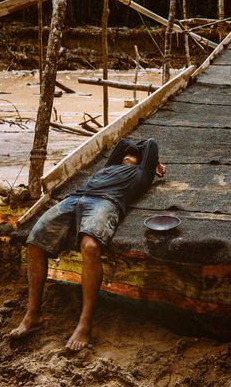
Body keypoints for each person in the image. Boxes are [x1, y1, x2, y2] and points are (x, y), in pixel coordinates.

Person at [10, 137, 164, 350]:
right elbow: (121, 143)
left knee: (90, 246)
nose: (128, 155)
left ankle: (85, 321)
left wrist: (153, 163)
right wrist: (131, 151)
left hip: (106, 202)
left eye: (135, 156)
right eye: (126, 155)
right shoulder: (110, 167)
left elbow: (151, 143)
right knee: (35, 241)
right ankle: (32, 313)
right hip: (75, 197)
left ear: (142, 163)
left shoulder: (141, 175)